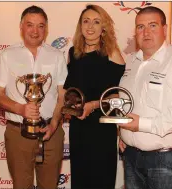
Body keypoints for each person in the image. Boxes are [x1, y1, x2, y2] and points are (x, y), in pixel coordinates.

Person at [118, 6, 172, 189]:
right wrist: (122, 133)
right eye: (140, 27)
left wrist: (142, 124)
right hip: (131, 156)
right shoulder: (132, 61)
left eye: (152, 25)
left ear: (164, 29)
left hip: (164, 160)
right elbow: (128, 102)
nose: (146, 32)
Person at [0, 5, 67, 189]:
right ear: (21, 26)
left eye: (41, 26)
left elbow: (62, 96)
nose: (35, 31)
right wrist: (20, 109)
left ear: (46, 29)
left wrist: (54, 124)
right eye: (30, 25)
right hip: (18, 132)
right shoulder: (8, 55)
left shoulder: (57, 56)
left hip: (51, 132)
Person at [63, 4, 125, 188]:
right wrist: (70, 106)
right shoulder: (73, 54)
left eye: (96, 22)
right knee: (80, 179)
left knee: (101, 178)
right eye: (86, 21)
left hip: (102, 127)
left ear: (103, 27)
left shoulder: (111, 53)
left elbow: (119, 96)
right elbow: (71, 90)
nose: (90, 26)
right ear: (80, 26)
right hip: (78, 127)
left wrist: (94, 105)